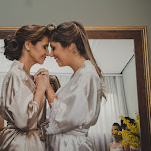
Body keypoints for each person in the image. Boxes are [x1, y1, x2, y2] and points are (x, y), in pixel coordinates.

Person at [43, 21, 106, 151]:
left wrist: (47, 88)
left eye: (53, 48)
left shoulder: (87, 74)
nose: (51, 54)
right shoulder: (79, 74)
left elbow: (65, 118)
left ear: (70, 46)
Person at [0, 25, 52, 151]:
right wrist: (40, 89)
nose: (48, 53)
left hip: (31, 142)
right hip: (19, 144)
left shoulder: (27, 77)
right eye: (44, 47)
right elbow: (25, 121)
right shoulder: (15, 74)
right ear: (28, 44)